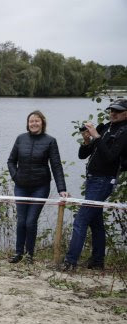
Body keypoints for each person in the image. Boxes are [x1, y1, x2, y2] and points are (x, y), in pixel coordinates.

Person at [62, 98, 127, 271]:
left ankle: (70, 262)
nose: (113, 113)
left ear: (126, 113)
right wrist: (86, 140)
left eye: (118, 111)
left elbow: (110, 157)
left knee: (81, 219)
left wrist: (97, 137)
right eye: (111, 110)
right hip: (92, 179)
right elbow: (83, 155)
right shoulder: (105, 127)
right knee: (95, 222)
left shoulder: (124, 131)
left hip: (104, 180)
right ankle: (97, 261)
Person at [6, 110, 68, 264]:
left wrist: (62, 188)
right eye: (31, 121)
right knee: (21, 221)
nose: (34, 123)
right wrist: (16, 176)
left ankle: (29, 255)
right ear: (28, 124)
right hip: (21, 186)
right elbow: (11, 161)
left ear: (42, 123)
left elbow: (56, 166)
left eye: (37, 121)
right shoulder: (20, 139)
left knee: (30, 221)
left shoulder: (50, 141)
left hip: (40, 187)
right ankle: (18, 253)